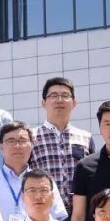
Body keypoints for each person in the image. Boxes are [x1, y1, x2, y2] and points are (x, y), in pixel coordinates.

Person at [0, 121, 68, 221]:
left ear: (31, 145)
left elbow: (58, 219)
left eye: (23, 140)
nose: (17, 146)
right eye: (11, 141)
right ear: (1, 147)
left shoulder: (44, 181)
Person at [28, 77, 95, 213]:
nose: (59, 100)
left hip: (80, 212)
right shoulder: (30, 137)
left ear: (74, 103)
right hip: (45, 212)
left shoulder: (85, 137)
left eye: (65, 95)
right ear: (43, 103)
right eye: (53, 95)